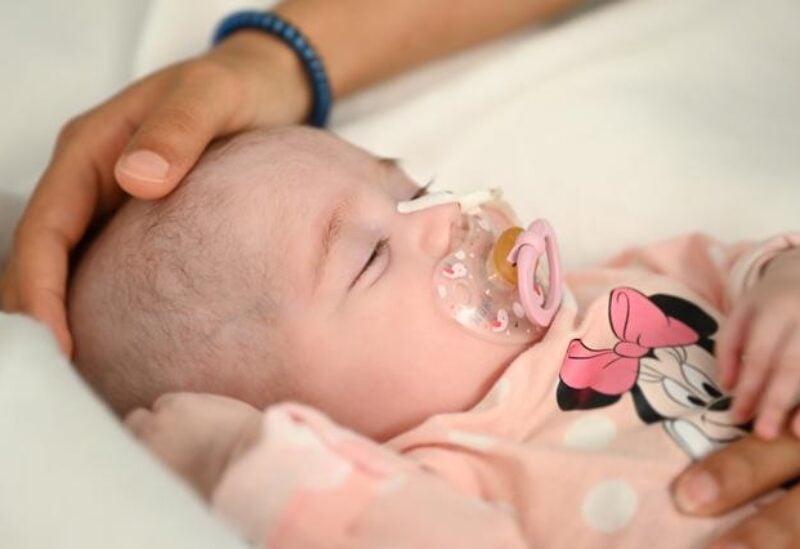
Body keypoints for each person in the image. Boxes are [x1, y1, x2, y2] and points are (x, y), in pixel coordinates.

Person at [2, 0, 799, 545]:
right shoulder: (435, 479)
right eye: (371, 255)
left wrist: (781, 290)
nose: (442, 218)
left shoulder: (607, 290)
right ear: (309, 421)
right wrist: (244, 460)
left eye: (412, 188)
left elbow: (729, 266)